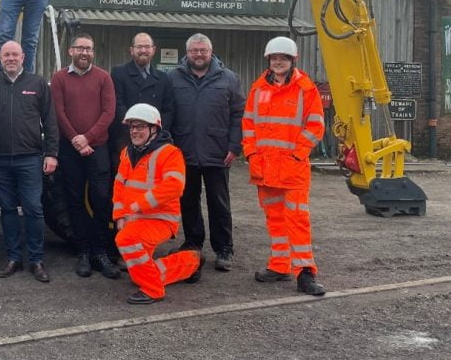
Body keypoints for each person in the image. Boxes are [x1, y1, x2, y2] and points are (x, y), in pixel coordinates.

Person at [243, 36, 327, 296]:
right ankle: (280, 265)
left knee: (297, 220)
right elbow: (248, 125)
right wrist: (251, 155)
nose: (278, 62)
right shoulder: (258, 89)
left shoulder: (305, 89)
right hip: (265, 168)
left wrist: (297, 155)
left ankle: (305, 272)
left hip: (292, 169)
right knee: (274, 220)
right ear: (269, 60)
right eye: (274, 58)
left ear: (293, 61)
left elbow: (315, 126)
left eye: (283, 58)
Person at [168, 33, 245, 279]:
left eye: (203, 50)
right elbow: (167, 113)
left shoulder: (229, 78)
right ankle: (192, 242)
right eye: (194, 51)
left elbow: (238, 115)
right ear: (187, 52)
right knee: (188, 201)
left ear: (211, 52)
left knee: (218, 203)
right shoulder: (173, 78)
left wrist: (235, 147)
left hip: (218, 152)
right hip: (184, 151)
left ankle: (224, 249)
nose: (198, 55)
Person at [0, 40, 59, 283]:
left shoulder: (37, 83)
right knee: (7, 209)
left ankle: (36, 259)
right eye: (6, 55)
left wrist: (51, 153)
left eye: (15, 54)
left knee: (34, 209)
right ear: (0, 58)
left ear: (23, 57)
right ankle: (13, 258)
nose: (11, 58)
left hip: (29, 158)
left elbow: (50, 121)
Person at [113, 104, 202, 304]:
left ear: (154, 129)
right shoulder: (128, 152)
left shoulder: (170, 153)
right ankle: (191, 262)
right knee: (141, 271)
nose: (134, 131)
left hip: (160, 219)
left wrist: (138, 205)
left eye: (140, 126)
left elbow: (175, 186)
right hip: (135, 219)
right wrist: (119, 214)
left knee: (126, 241)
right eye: (132, 127)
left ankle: (153, 290)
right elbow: (119, 184)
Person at [51, 33, 119, 279]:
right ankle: (82, 252)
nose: (85, 53)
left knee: (101, 199)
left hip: (98, 148)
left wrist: (88, 138)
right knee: (75, 200)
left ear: (93, 52)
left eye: (88, 49)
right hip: (70, 148)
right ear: (71, 51)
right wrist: (76, 140)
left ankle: (100, 253)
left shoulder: (104, 77)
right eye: (80, 48)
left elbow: (109, 112)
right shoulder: (59, 78)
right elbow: (58, 112)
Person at [110, 32, 175, 161]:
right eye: (139, 47)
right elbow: (117, 104)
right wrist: (136, 129)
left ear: (153, 50)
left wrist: (155, 132)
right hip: (125, 139)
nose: (143, 50)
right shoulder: (119, 73)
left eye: (147, 47)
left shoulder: (163, 78)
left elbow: (168, 109)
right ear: (132, 50)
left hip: (155, 141)